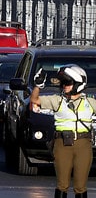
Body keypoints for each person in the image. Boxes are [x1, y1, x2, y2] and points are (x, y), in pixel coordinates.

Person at [30, 65, 96, 198]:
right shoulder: (58, 100)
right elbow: (35, 100)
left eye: (68, 83)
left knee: (80, 185)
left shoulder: (90, 102)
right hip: (63, 144)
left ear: (78, 84)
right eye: (63, 83)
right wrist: (38, 86)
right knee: (62, 184)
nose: (64, 86)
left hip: (83, 144)